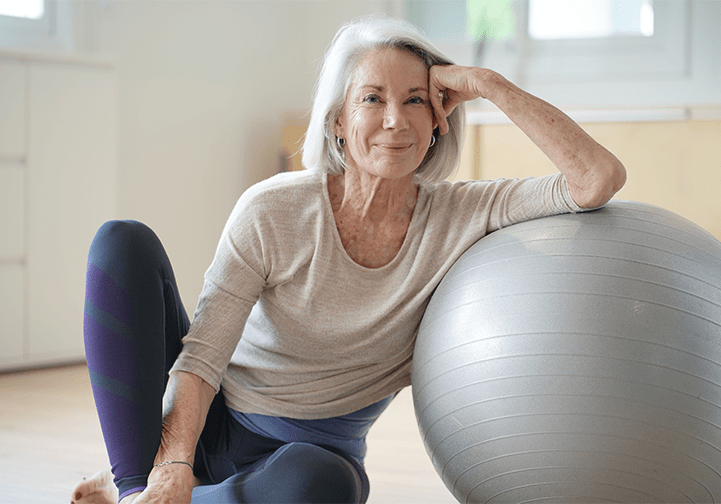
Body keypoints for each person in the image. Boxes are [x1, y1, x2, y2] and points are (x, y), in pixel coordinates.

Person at [72, 14, 626, 504]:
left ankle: (178, 497)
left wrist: (488, 84)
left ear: (438, 121)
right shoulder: (274, 208)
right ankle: (138, 490)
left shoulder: (464, 214)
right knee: (122, 243)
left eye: (415, 99)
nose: (394, 119)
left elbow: (596, 179)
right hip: (210, 419)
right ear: (338, 119)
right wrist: (174, 464)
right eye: (372, 98)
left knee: (322, 484)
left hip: (306, 461)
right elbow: (202, 359)